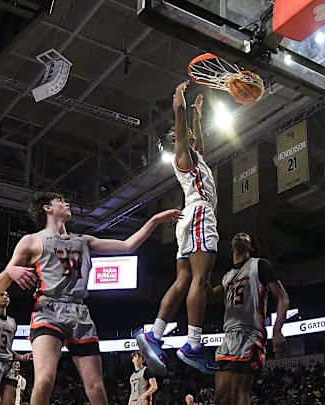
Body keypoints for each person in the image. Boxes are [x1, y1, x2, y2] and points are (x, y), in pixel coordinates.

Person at [0, 191, 181, 405]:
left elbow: (128, 246)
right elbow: (0, 284)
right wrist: (13, 271)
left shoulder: (83, 240)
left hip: (79, 311)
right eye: (60, 201)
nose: (67, 204)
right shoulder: (32, 241)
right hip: (48, 309)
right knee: (45, 379)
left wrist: (155, 219)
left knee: (95, 386)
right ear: (47, 208)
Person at [136, 81, 219, 376]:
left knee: (183, 280)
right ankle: (192, 345)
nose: (183, 135)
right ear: (175, 139)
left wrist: (198, 116)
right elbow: (180, 125)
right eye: (179, 134)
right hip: (199, 215)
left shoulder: (193, 158)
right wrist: (179, 102)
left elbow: (201, 145)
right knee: (199, 280)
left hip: (188, 219)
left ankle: (154, 335)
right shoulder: (181, 154)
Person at [208, 232, 290, 405]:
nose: (240, 235)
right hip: (228, 336)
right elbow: (208, 297)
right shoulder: (227, 276)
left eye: (246, 236)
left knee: (239, 395)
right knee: (220, 398)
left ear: (251, 248)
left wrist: (277, 330)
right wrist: (200, 272)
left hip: (250, 334)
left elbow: (283, 298)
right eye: (237, 235)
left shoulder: (259, 265)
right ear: (231, 249)